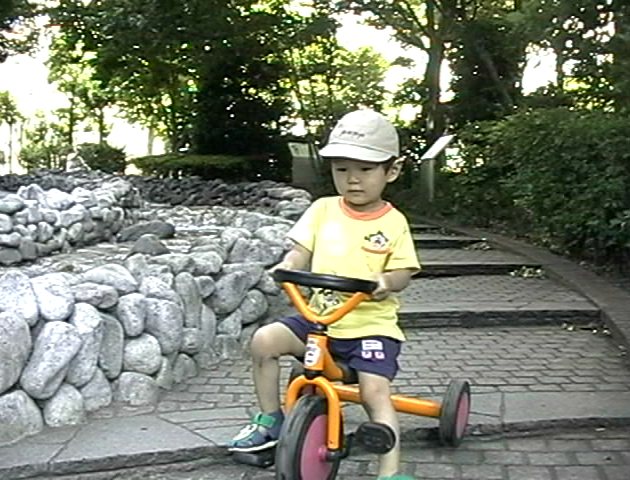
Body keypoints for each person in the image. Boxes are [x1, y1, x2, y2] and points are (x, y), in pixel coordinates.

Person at [229, 108, 421, 480]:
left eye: (365, 169)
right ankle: (270, 420)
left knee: (374, 391)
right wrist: (288, 265)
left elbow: (404, 271)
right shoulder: (322, 210)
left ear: (392, 171)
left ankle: (390, 472)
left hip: (370, 328)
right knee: (264, 341)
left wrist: (386, 281)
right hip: (319, 320)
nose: (353, 179)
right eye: (342, 169)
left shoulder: (394, 222)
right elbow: (300, 250)